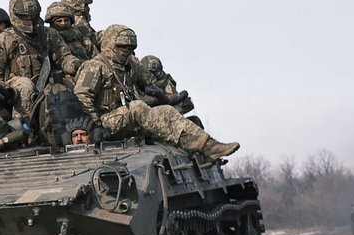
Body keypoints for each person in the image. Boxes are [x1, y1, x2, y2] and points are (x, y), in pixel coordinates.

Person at [73, 25, 240, 160]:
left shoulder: (129, 66)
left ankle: (207, 146)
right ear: (110, 44)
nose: (126, 50)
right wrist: (94, 127)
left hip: (127, 118)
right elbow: (81, 97)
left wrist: (162, 95)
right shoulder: (95, 66)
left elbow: (151, 82)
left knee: (165, 111)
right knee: (138, 107)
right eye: (122, 46)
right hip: (103, 123)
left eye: (130, 47)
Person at [0, 0, 82, 124]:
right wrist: (5, 91)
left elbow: (63, 57)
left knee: (68, 84)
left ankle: (74, 127)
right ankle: (25, 129)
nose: (30, 19)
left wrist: (76, 64)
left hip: (46, 84)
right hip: (16, 89)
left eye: (33, 15)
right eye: (25, 16)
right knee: (25, 85)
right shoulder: (1, 41)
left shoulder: (49, 34)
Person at [45, 0, 98, 65]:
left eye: (66, 20)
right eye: (59, 21)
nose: (63, 23)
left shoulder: (80, 37)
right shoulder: (48, 39)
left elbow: (95, 56)